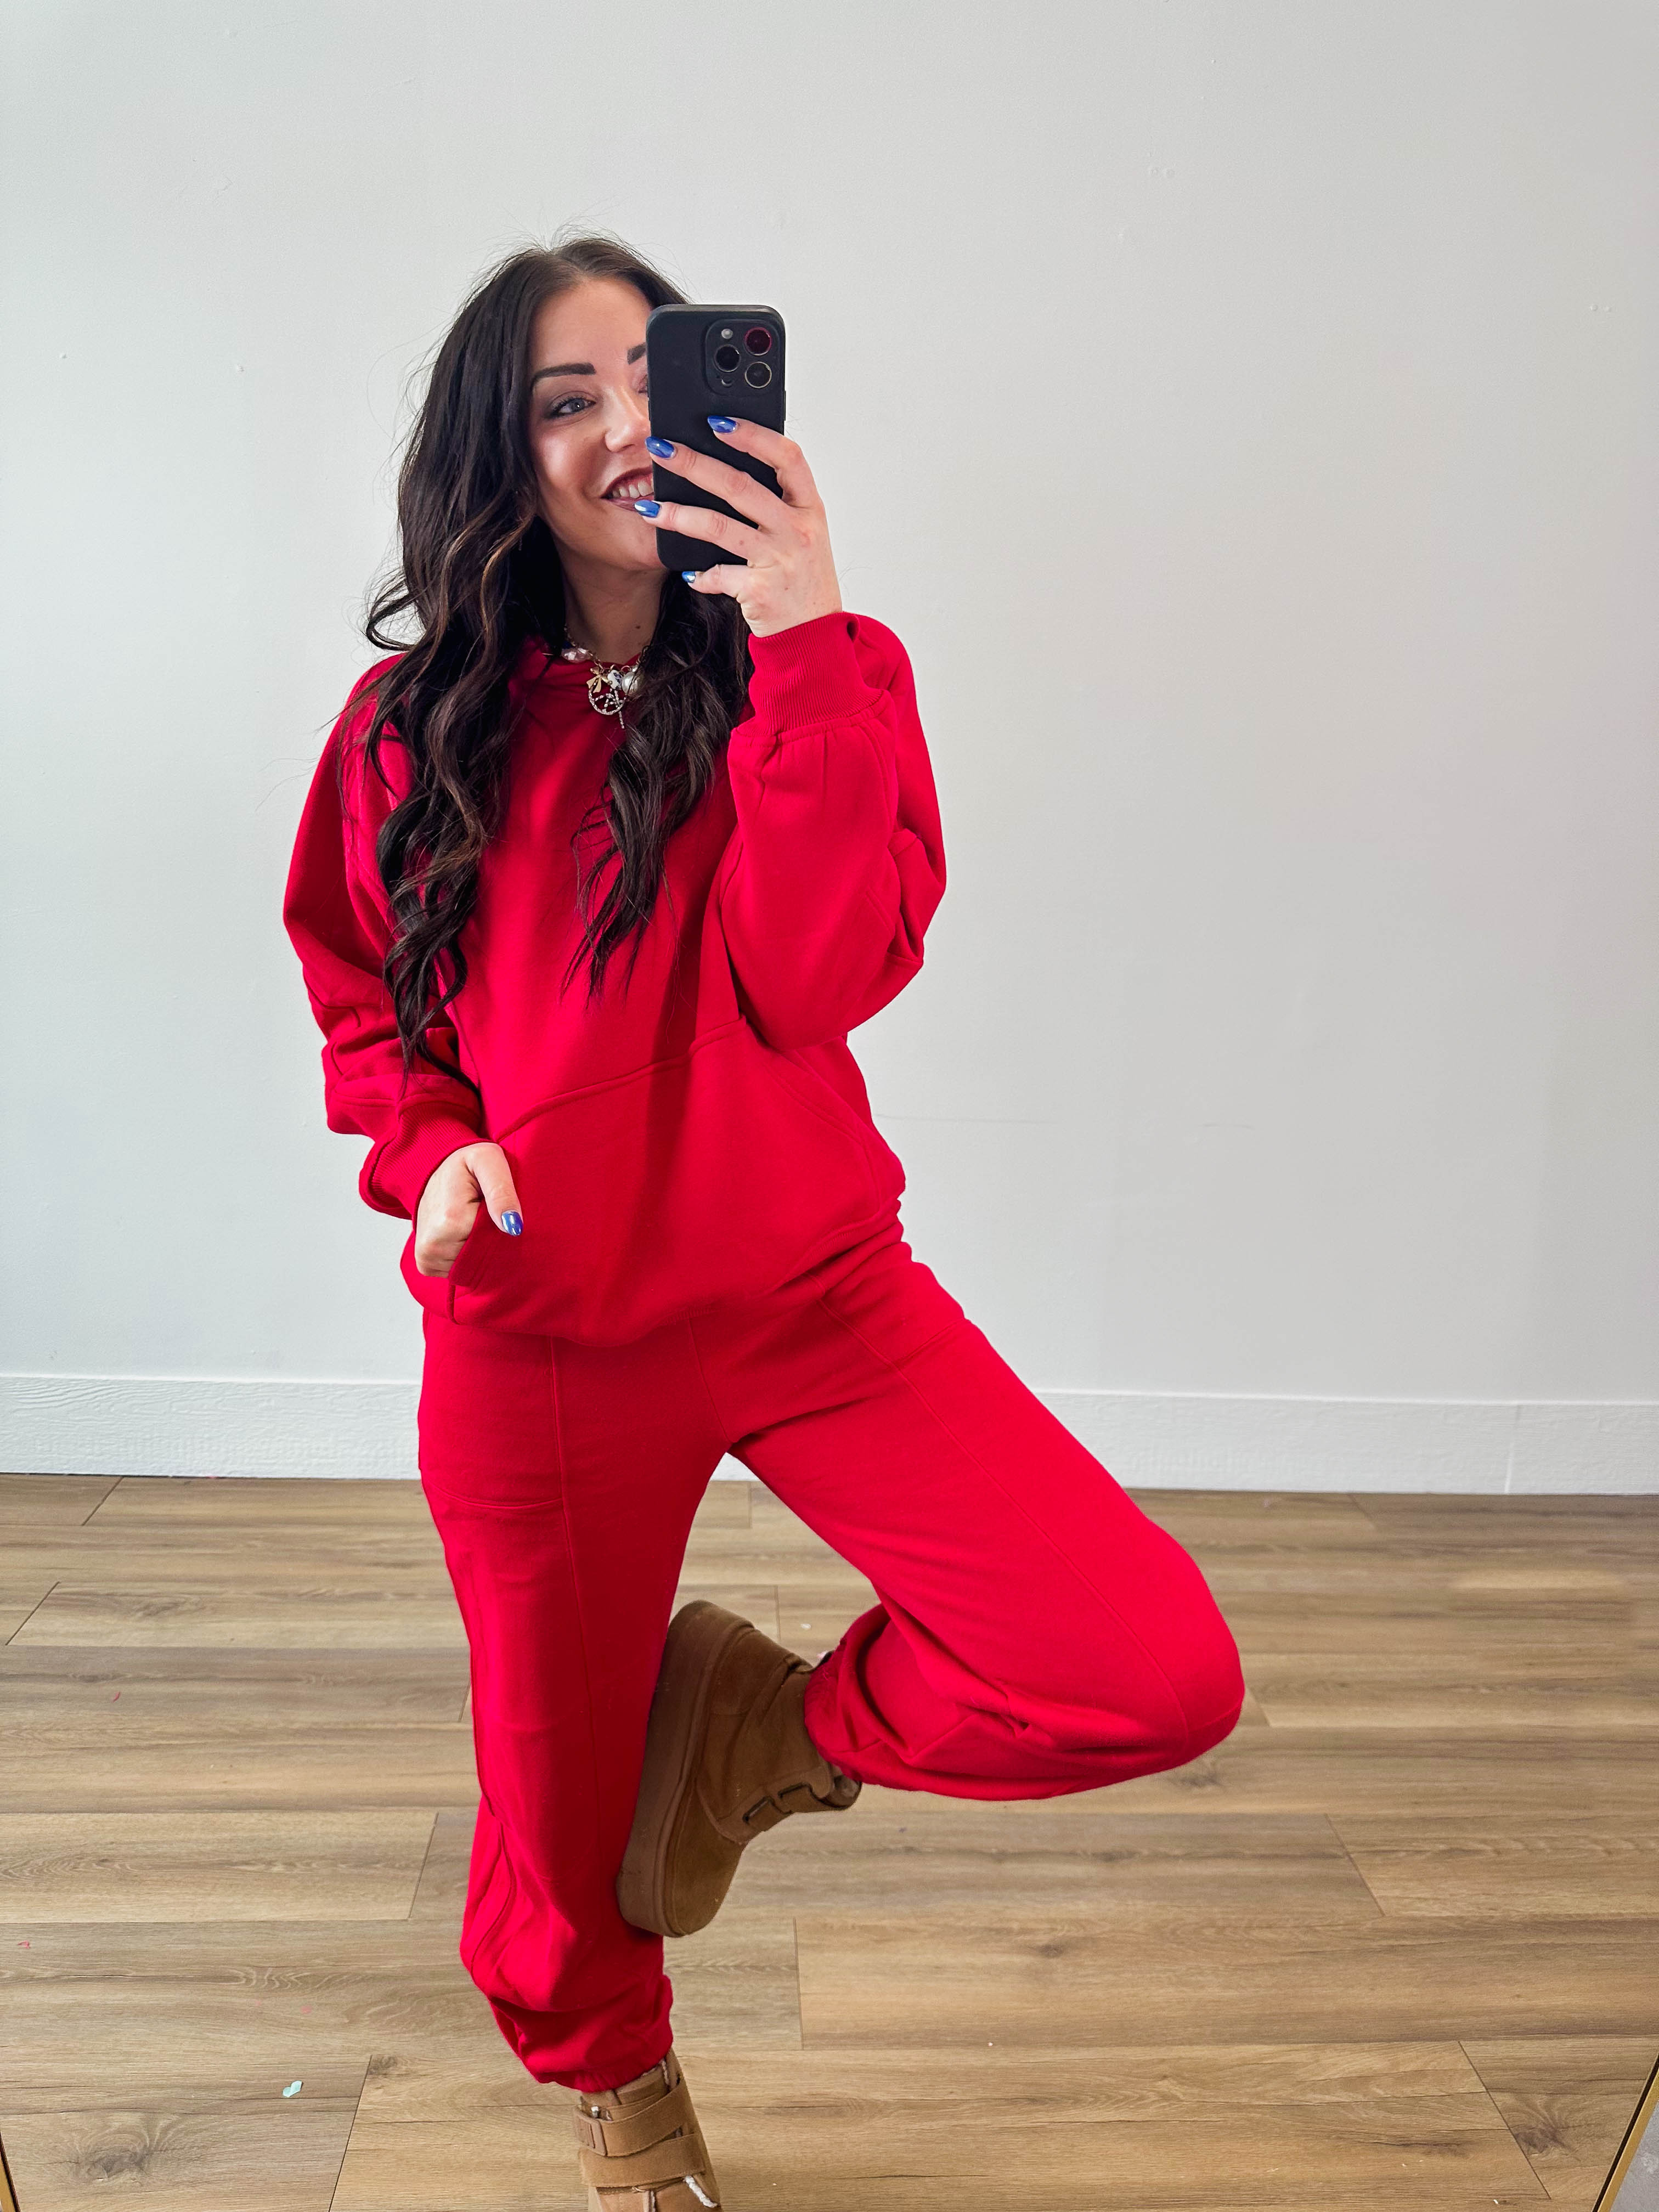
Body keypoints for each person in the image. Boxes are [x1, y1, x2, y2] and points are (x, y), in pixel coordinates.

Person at [283, 233, 1245, 2209]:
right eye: (569, 400)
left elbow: (815, 978)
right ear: (503, 454)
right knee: (556, 1823)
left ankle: (750, 1730)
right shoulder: (407, 727)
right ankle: (620, 2090)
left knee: (1145, 1666)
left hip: (814, 1291)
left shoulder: (829, 680)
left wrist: (803, 640)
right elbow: (363, 991)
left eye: (660, 379)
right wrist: (428, 1148)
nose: (627, 428)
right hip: (544, 1331)